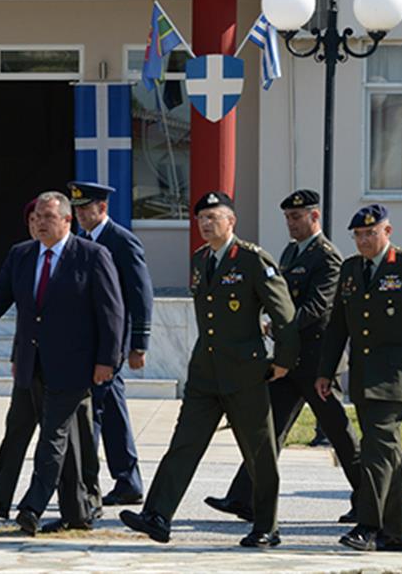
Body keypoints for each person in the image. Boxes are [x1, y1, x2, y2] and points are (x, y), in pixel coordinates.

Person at [120, 191, 297, 549]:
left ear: (231, 221)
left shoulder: (251, 259)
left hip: (244, 373)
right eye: (201, 218)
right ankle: (157, 515)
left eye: (213, 217)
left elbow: (285, 315)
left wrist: (283, 361)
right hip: (205, 373)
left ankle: (266, 526)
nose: (205, 223)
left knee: (259, 453)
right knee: (183, 444)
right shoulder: (201, 260)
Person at [0, 191, 124, 535]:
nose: (40, 224)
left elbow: (111, 312)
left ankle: (32, 506)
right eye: (35, 218)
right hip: (30, 362)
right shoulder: (22, 255)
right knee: (35, 432)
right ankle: (75, 510)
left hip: (73, 365)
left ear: (67, 220)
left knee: (53, 437)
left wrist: (107, 360)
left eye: (48, 217)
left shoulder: (92, 256)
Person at [205, 189, 361, 524]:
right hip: (289, 360)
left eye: (297, 217)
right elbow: (278, 296)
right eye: (288, 217)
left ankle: (368, 501)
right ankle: (244, 497)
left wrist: (277, 326)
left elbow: (317, 308)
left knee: (339, 432)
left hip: (318, 361)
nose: (291, 223)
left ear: (314, 216)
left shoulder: (327, 257)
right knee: (267, 428)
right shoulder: (291, 252)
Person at [316, 203, 402, 553]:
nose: (363, 240)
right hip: (363, 374)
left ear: (387, 232)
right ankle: (395, 534)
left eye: (370, 234)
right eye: (358, 235)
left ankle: (368, 526)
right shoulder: (350, 269)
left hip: (397, 374)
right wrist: (326, 371)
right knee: (385, 452)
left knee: (376, 449)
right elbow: (338, 325)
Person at [68, 180, 154, 506]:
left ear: (102, 208)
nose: (80, 215)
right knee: (110, 410)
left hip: (112, 342)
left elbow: (140, 294)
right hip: (86, 341)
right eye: (76, 209)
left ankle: (85, 482)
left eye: (85, 208)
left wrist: (139, 344)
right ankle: (126, 481)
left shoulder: (121, 241)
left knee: (93, 411)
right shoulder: (80, 241)